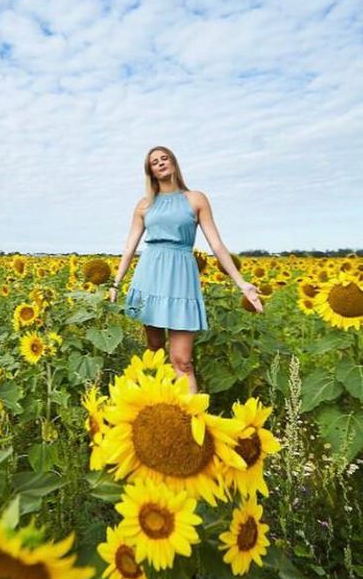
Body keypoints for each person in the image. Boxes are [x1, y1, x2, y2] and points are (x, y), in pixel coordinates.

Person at [108, 146, 263, 393]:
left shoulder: (196, 199)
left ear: (173, 162)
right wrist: (115, 283)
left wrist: (241, 283)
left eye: (164, 158)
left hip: (181, 278)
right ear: (150, 171)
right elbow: (129, 248)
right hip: (150, 274)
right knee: (154, 351)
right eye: (154, 162)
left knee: (183, 361)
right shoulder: (144, 205)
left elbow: (216, 245)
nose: (160, 163)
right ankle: (156, 405)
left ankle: (191, 414)